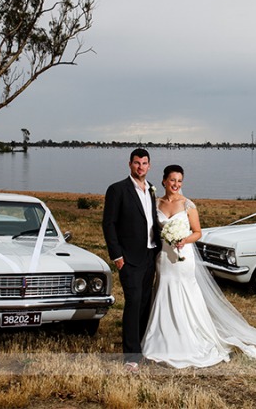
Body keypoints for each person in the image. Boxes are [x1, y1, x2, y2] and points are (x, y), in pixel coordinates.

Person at [142, 164, 256, 369]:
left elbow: (197, 232)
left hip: (183, 257)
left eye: (179, 181)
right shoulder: (156, 203)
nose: (176, 184)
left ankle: (189, 337)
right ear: (164, 181)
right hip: (164, 257)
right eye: (172, 180)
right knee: (163, 290)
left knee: (184, 293)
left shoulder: (188, 205)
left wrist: (184, 240)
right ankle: (161, 338)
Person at [102, 148, 161, 372]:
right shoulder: (118, 190)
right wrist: (117, 256)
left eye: (144, 163)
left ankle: (142, 348)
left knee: (145, 303)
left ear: (149, 166)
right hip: (129, 258)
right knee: (133, 303)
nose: (140, 167)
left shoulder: (151, 190)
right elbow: (109, 224)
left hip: (149, 254)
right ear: (130, 164)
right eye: (137, 163)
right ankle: (131, 357)